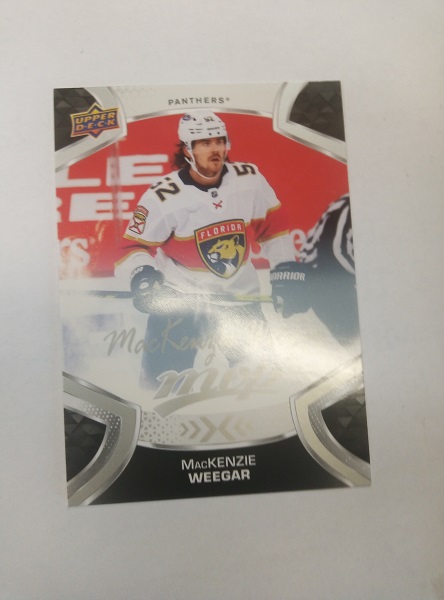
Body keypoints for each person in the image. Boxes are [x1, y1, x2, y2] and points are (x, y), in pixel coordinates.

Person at [118, 110, 306, 388]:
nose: (215, 149)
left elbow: (274, 231)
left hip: (238, 301)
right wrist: (142, 276)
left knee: (265, 385)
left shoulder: (250, 180)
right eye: (205, 143)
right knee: (156, 389)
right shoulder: (162, 196)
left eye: (219, 141)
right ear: (187, 150)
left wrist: (286, 271)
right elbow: (131, 247)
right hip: (180, 303)